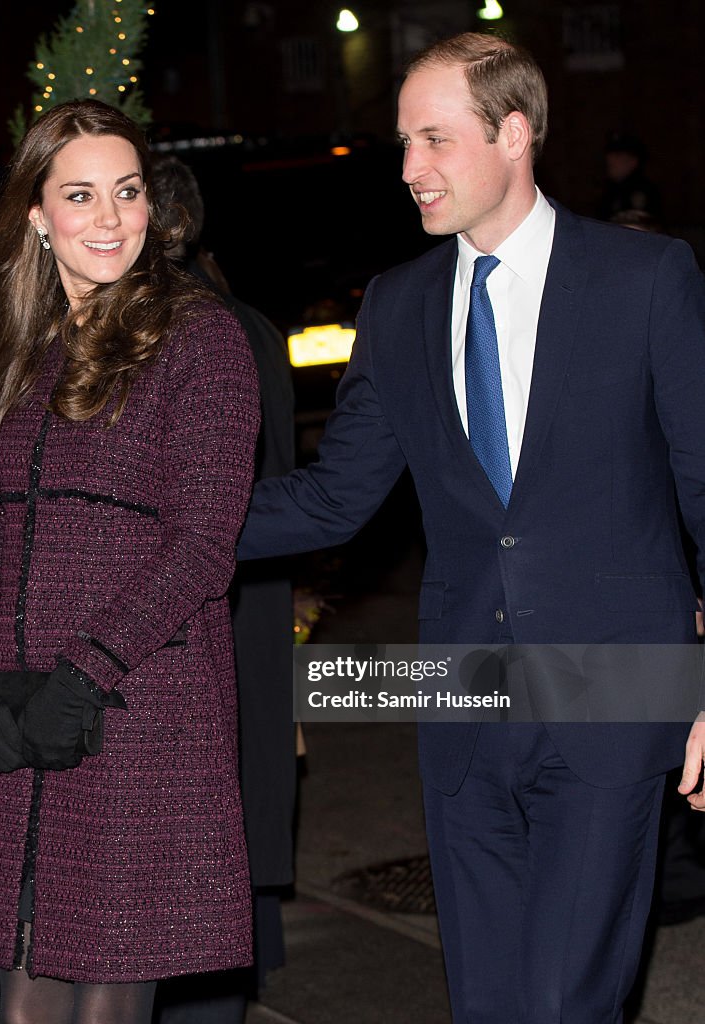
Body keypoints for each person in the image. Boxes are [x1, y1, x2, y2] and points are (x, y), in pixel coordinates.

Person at [237, 32, 705, 1023]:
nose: (408, 169)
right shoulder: (398, 305)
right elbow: (332, 497)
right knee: (488, 1003)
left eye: (433, 140)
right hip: (461, 703)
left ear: (513, 134)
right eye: (402, 142)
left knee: (560, 1000)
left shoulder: (645, 278)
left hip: (613, 695)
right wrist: (154, 516)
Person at [0, 99, 260, 1024]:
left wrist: (85, 673)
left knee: (107, 1008)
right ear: (37, 214)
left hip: (137, 709)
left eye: (128, 191)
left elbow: (200, 545)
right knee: (25, 1008)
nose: (110, 218)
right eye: (81, 195)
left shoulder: (201, 340)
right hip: (17, 709)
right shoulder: (19, 350)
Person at [150, 157, 296, 1023]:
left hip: (203, 595)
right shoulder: (247, 323)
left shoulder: (190, 334)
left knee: (199, 823)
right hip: (246, 589)